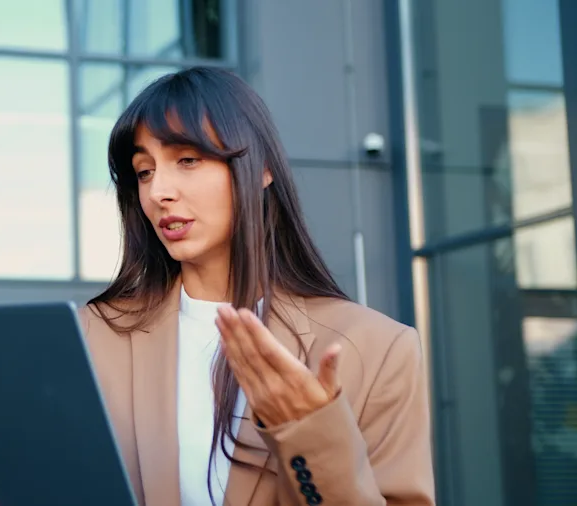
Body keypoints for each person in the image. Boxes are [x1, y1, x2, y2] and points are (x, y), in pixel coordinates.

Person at [78, 67, 436, 506]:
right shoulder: (92, 338)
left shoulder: (379, 349)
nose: (159, 192)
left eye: (187, 160)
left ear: (262, 168)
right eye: (144, 171)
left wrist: (310, 433)